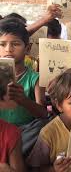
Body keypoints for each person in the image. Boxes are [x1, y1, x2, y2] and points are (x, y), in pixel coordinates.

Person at [0, 18, 47, 155]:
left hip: (24, 131)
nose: (8, 49)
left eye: (15, 44)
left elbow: (43, 113)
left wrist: (23, 100)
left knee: (41, 126)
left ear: (27, 48)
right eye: (2, 44)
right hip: (1, 129)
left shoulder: (35, 78)